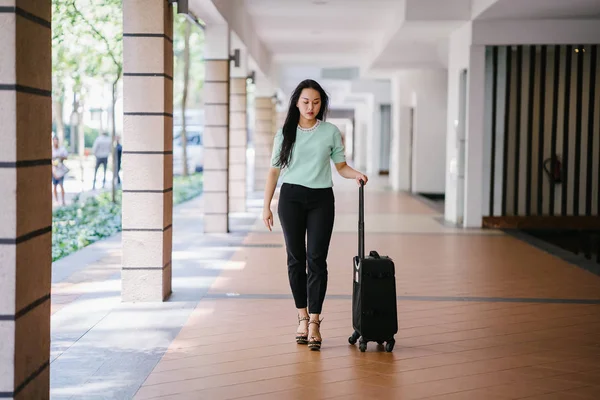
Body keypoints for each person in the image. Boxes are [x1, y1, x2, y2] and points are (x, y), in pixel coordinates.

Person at [262, 79, 368, 351]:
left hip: (321, 198)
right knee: (295, 259)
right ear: (296, 102)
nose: (311, 107)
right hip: (291, 198)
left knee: (317, 260)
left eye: (316, 102)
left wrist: (355, 174)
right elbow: (274, 170)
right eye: (306, 101)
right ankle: (301, 317)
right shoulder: (285, 133)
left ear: (322, 104)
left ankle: (315, 322)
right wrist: (267, 206)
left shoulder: (330, 131)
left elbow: (341, 166)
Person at [51, 135, 69, 206]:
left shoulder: (62, 149)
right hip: (54, 169)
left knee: (61, 185)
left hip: (60, 169)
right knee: (54, 185)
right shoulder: (51, 149)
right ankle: (56, 200)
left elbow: (66, 157)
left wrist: (59, 157)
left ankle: (63, 200)